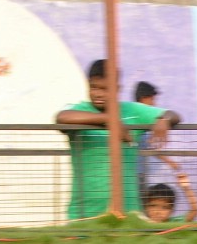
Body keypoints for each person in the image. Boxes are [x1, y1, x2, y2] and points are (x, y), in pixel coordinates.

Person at [56, 60, 180, 220]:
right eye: (94, 87)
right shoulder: (80, 110)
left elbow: (174, 115)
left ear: (118, 89)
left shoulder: (132, 111)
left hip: (127, 211)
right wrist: (109, 119)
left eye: (105, 89)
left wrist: (164, 119)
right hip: (84, 212)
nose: (98, 93)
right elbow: (61, 117)